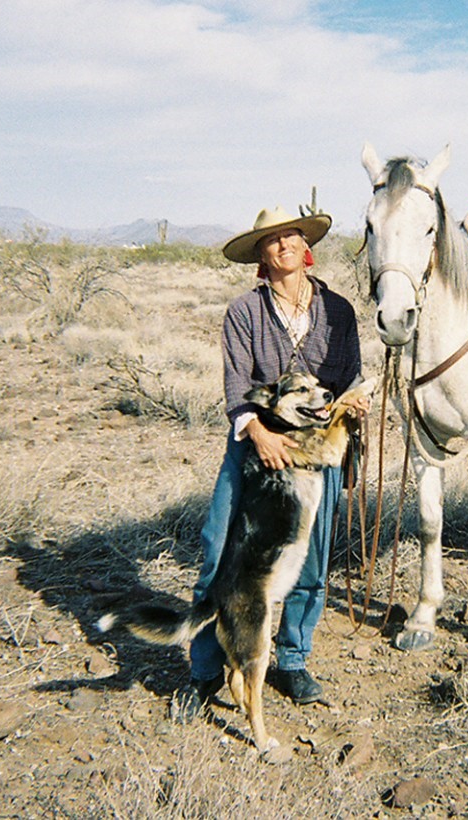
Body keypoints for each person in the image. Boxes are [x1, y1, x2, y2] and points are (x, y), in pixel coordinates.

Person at [174, 204, 366, 721]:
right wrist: (257, 432)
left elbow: (350, 376)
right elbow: (237, 384)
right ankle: (205, 670)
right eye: (271, 240)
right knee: (219, 551)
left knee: (309, 562)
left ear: (307, 247)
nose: (282, 245)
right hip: (254, 446)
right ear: (260, 254)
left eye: (291, 236)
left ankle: (293, 659)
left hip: (315, 455)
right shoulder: (244, 312)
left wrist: (355, 401)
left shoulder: (339, 310)